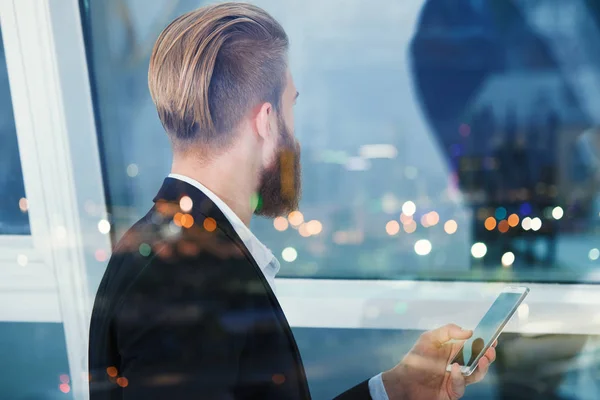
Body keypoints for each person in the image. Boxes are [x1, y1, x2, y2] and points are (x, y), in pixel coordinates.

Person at [88, 3, 495, 399]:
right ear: (266, 122)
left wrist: (399, 388)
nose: (295, 138)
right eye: (291, 105)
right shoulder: (187, 282)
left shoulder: (163, 248)